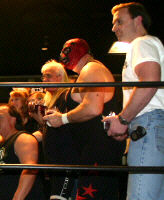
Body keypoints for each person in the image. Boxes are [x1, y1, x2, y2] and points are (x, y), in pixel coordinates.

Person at [43, 39, 125, 199]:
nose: (62, 54)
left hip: (99, 150)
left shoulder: (92, 68)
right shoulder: (85, 72)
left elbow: (93, 108)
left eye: (66, 49)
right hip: (91, 150)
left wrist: (63, 118)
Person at [103, 2, 164, 200]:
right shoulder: (151, 44)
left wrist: (122, 120)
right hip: (154, 126)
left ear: (138, 20)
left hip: (148, 124)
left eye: (119, 21)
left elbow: (150, 81)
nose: (114, 28)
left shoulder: (141, 43)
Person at [40, 60, 79, 200]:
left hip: (67, 162)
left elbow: (75, 124)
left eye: (48, 76)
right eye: (43, 77)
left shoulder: (69, 96)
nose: (44, 80)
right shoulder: (51, 100)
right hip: (56, 165)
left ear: (60, 77)